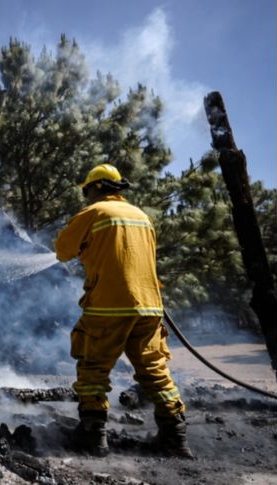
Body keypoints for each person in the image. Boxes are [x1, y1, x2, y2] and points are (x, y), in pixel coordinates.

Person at [54, 163, 193, 458]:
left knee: (93, 368)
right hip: (150, 306)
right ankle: (175, 436)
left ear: (96, 188)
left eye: (87, 191)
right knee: (154, 370)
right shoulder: (142, 216)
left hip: (109, 306)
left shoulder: (94, 212)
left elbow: (63, 250)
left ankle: (93, 437)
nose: (86, 197)